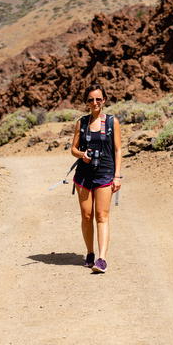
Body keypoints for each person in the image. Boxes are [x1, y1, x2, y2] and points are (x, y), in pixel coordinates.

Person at [70, 84, 122, 273]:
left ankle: (102, 259)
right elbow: (73, 149)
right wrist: (82, 155)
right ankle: (90, 252)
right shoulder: (81, 123)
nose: (95, 102)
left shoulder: (111, 122)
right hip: (84, 175)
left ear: (104, 100)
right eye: (91, 99)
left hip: (105, 173)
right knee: (86, 216)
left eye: (98, 99)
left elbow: (117, 149)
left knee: (102, 215)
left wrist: (117, 176)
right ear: (87, 102)